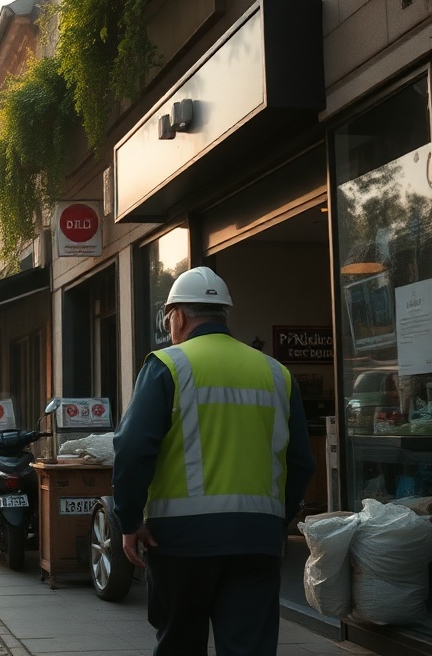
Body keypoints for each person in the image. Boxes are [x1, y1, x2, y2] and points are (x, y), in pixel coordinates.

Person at [112, 266, 315, 656]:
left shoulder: (167, 365)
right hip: (256, 539)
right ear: (224, 315)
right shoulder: (276, 373)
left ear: (180, 316)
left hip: (180, 542)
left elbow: (133, 448)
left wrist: (129, 519)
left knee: (180, 645)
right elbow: (301, 462)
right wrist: (276, 518)